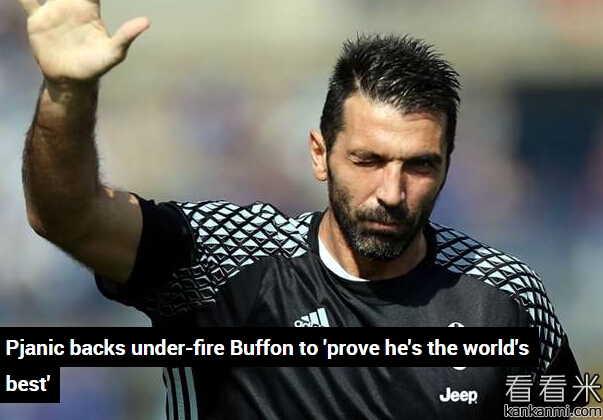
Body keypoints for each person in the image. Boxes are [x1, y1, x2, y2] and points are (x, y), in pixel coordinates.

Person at [17, 0, 583, 419]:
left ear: (448, 163)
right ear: (320, 154)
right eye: (367, 160)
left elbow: (575, 408)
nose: (391, 191)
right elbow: (68, 218)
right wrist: (67, 93)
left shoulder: (507, 298)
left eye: (419, 165)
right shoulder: (221, 259)